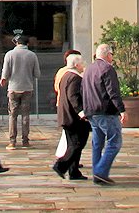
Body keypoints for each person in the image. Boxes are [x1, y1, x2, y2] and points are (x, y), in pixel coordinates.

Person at [82, 43, 126, 186]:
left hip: (92, 111)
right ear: (108, 55)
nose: (112, 57)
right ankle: (100, 172)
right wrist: (121, 109)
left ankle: (97, 173)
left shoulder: (89, 69)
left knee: (97, 143)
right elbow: (113, 91)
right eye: (112, 55)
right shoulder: (107, 68)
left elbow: (84, 90)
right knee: (115, 141)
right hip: (105, 111)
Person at [51, 52, 90, 181]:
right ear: (77, 64)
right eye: (82, 63)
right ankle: (61, 165)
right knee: (77, 142)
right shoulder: (74, 78)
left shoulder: (66, 76)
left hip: (67, 116)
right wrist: (81, 111)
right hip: (73, 117)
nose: (83, 65)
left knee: (74, 143)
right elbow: (73, 96)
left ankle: (74, 171)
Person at [0, 34, 39, 149]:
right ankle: (25, 141)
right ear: (27, 44)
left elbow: (5, 72)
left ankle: (12, 141)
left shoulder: (9, 54)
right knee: (25, 115)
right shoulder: (32, 55)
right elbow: (37, 74)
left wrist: (3, 79)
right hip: (27, 88)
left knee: (12, 115)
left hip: (13, 88)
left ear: (16, 43)